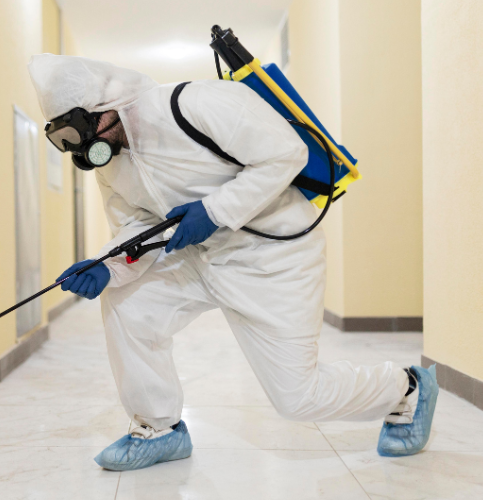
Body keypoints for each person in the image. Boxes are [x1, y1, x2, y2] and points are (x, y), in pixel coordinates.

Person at [29, 54, 438, 471]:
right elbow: (139, 225)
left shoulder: (197, 103)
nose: (80, 149)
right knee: (126, 302)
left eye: (78, 132)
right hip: (197, 258)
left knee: (299, 398)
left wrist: (214, 211)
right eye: (64, 139)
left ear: (104, 107)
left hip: (273, 258)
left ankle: (405, 388)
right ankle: (159, 428)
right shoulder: (112, 162)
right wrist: (105, 265)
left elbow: (286, 154)